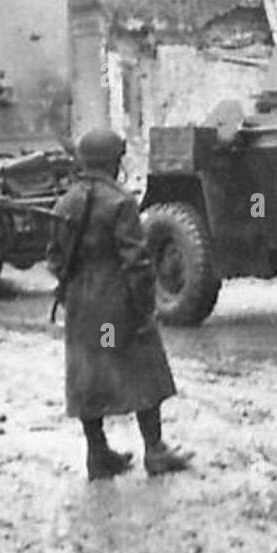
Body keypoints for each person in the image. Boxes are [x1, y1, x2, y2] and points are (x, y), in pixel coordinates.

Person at [47, 128, 189, 480]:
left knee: (88, 374)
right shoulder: (120, 201)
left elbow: (54, 259)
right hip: (116, 306)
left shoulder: (66, 201)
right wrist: (145, 308)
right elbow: (137, 262)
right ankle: (154, 450)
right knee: (143, 366)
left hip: (82, 306)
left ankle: (98, 454)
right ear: (113, 160)